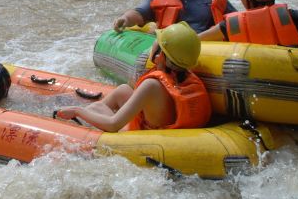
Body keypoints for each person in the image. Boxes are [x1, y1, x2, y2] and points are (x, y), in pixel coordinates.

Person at [55, 22, 211, 132]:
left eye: (156, 43)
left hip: (143, 136)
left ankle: (80, 127)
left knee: (96, 107)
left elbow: (113, 125)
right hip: (164, 125)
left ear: (160, 55)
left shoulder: (152, 85)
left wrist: (77, 111)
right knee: (123, 90)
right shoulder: (187, 78)